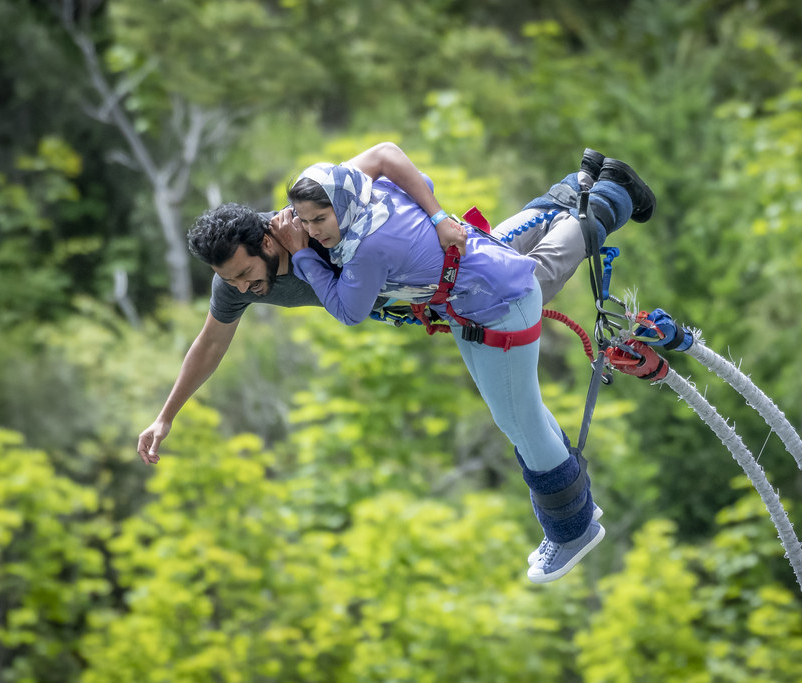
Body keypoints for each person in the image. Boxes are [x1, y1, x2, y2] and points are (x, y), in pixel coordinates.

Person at [269, 142, 652, 582]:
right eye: (304, 221)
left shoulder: (366, 246)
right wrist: (434, 215)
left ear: (341, 205)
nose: (314, 231)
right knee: (517, 413)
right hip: (477, 296)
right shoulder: (367, 192)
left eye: (320, 220)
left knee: (521, 421)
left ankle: (573, 531)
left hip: (498, 305)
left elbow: (348, 311)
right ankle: (577, 503)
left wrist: (299, 253)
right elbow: (386, 153)